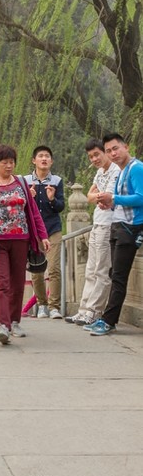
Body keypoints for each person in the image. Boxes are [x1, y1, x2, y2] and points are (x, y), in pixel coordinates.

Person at [0, 144, 50, 345]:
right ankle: (3, 325)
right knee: (1, 283)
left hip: (21, 239)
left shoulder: (22, 183)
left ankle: (15, 321)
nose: (9, 166)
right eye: (5, 162)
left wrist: (43, 236)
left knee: (16, 284)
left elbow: (33, 212)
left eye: (12, 162)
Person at [89, 131, 143, 335]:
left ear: (126, 147)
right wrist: (109, 204)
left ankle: (108, 321)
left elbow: (141, 198)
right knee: (114, 274)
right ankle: (106, 319)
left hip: (131, 227)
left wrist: (115, 199)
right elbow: (120, 200)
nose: (112, 153)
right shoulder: (122, 171)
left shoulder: (136, 168)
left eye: (115, 148)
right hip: (119, 225)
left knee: (118, 276)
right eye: (109, 150)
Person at [65, 139, 122, 325]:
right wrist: (99, 196)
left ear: (105, 152)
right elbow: (89, 196)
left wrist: (100, 197)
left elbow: (110, 197)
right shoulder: (99, 172)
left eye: (97, 154)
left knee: (101, 270)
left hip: (109, 224)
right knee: (90, 269)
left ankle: (95, 311)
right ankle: (83, 310)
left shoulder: (117, 170)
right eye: (91, 157)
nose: (94, 159)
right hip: (97, 223)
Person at [25, 145, 65, 318]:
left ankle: (54, 306)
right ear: (34, 160)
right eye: (40, 156)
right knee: (37, 268)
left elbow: (61, 206)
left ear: (51, 161)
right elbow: (21, 208)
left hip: (53, 229)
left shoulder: (56, 180)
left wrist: (52, 199)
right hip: (34, 231)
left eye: (47, 156)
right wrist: (29, 198)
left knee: (54, 268)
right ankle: (42, 305)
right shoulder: (25, 181)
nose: (44, 159)